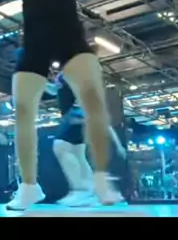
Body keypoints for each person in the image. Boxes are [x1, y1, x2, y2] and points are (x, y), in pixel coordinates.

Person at [7, 0, 122, 211]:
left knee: (93, 101)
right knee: (22, 110)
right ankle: (29, 186)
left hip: (70, 37)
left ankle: (100, 179)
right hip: (34, 40)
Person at [49, 70, 127, 207]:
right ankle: (94, 191)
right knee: (78, 154)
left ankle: (82, 191)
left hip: (75, 114)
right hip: (77, 115)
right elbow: (55, 89)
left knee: (61, 147)